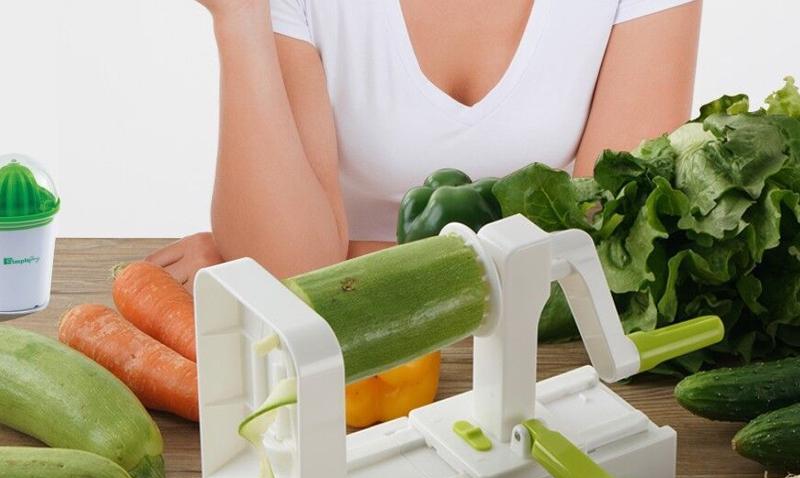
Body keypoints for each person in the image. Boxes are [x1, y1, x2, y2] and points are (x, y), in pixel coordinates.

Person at [148, 0, 702, 288]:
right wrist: (239, 14)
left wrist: (342, 259)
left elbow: (610, 250)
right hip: (346, 355)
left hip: (545, 361)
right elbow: (286, 269)